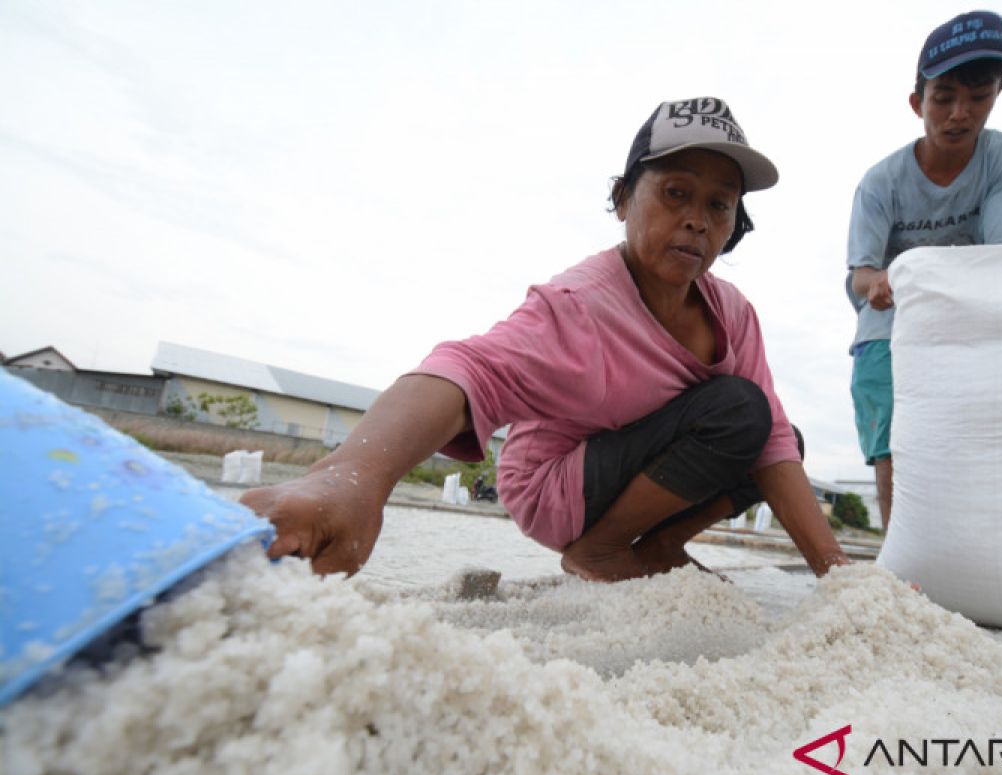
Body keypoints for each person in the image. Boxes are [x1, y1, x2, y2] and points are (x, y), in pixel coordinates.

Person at [242, 96, 850, 582]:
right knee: (737, 409)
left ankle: (660, 547)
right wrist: (349, 479)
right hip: (554, 485)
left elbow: (768, 440)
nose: (696, 219)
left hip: (636, 464)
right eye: (675, 193)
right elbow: (465, 370)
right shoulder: (578, 307)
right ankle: (603, 552)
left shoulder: (733, 314)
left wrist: (839, 577)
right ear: (622, 199)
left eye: (719, 205)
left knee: (774, 432)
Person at [845, 11, 1002, 531]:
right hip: (890, 327)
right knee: (894, 441)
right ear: (917, 103)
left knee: (966, 441)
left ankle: (968, 554)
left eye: (978, 97)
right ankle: (901, 556)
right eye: (944, 97)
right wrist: (882, 283)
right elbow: (861, 276)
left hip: (969, 322)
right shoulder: (881, 182)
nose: (959, 114)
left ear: (997, 94)